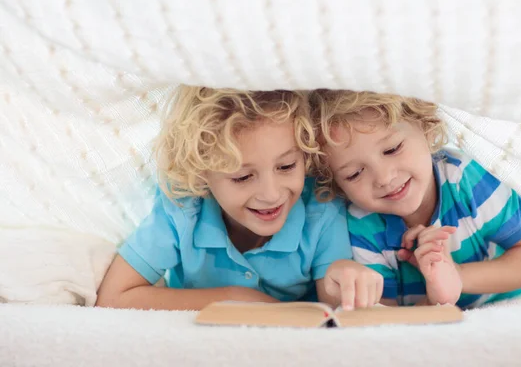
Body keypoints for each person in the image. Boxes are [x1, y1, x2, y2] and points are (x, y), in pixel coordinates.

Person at [96, 86, 382, 311]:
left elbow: (332, 316)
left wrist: (342, 278)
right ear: (201, 175)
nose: (271, 195)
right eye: (242, 177)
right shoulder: (183, 206)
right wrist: (237, 298)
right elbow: (113, 297)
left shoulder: (321, 208)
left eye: (286, 167)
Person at [309, 89, 521, 309]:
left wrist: (458, 276)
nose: (384, 178)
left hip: (509, 303)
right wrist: (437, 297)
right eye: (354, 174)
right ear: (337, 185)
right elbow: (386, 318)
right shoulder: (360, 223)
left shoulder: (463, 179)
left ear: (425, 127)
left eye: (392, 149)